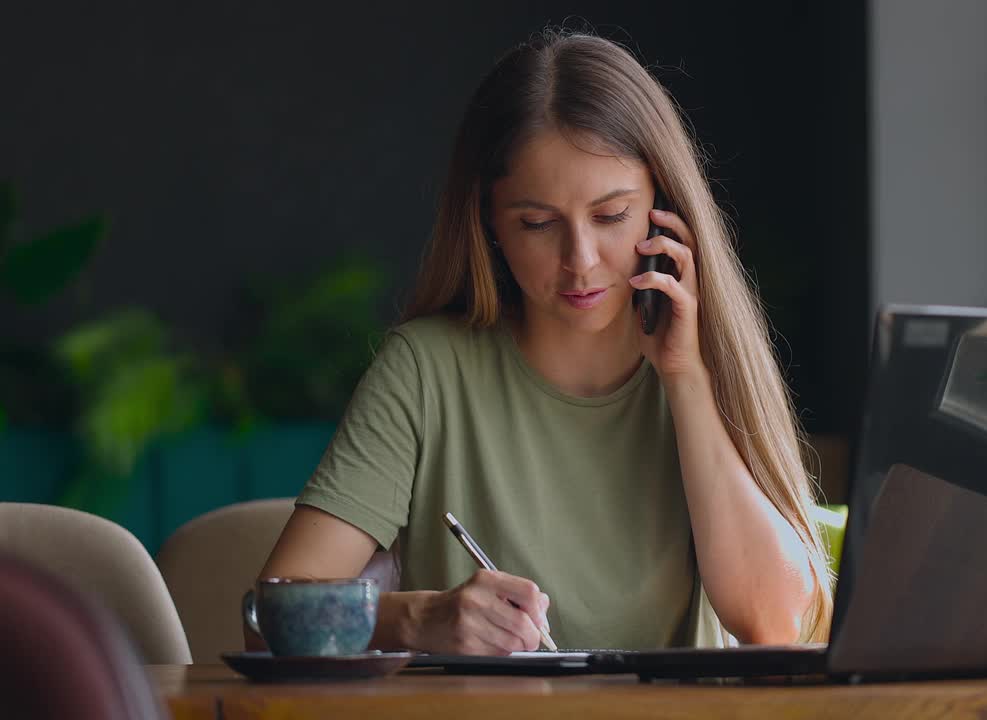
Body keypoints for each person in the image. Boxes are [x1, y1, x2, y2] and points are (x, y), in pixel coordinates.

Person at [253, 27, 833, 655]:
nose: (579, 261)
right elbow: (270, 620)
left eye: (611, 216)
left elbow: (775, 624)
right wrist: (419, 621)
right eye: (537, 223)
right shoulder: (427, 370)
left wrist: (685, 379)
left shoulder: (707, 367)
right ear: (489, 223)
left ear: (661, 209)